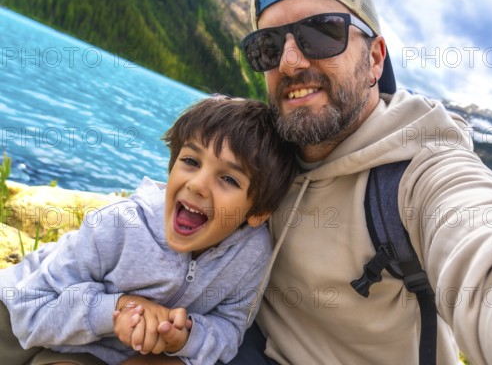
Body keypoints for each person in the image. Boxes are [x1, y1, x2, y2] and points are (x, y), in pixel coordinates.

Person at [232, 0, 492, 364]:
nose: (288, 62)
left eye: (321, 33)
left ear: (374, 59)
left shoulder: (417, 172)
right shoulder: (255, 151)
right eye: (266, 46)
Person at [0, 96, 297, 365]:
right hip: (16, 321)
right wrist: (117, 309)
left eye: (229, 180)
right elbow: (31, 310)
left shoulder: (252, 253)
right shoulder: (119, 226)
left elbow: (229, 328)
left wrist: (186, 336)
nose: (196, 184)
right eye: (191, 161)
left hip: (93, 351)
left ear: (257, 213)